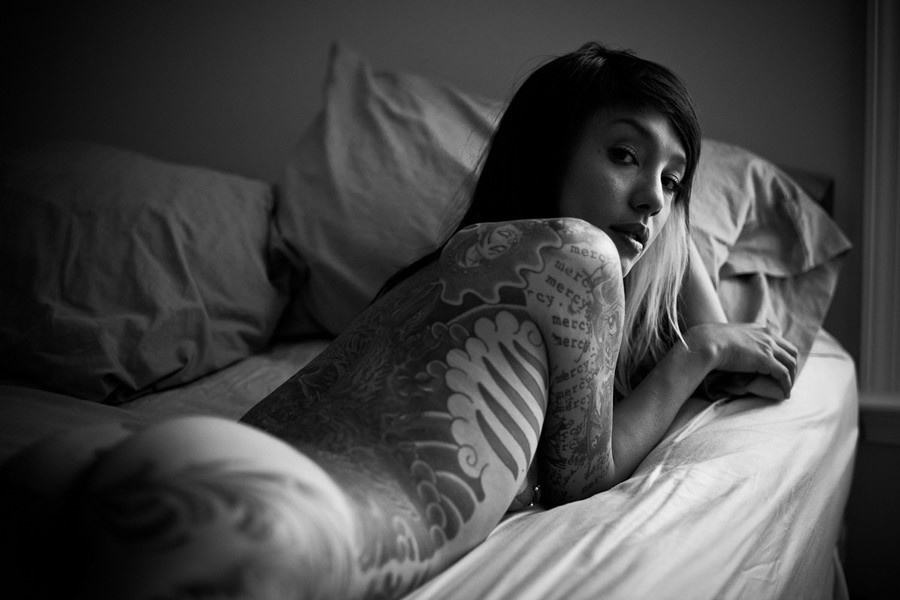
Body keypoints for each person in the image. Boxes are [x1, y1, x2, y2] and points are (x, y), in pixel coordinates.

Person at [0, 42, 798, 600]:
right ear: (549, 149)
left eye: (673, 181)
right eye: (625, 155)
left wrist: (662, 214)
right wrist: (697, 352)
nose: (654, 201)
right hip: (285, 517)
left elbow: (661, 239)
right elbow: (581, 476)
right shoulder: (576, 258)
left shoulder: (446, 270)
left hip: (157, 462)